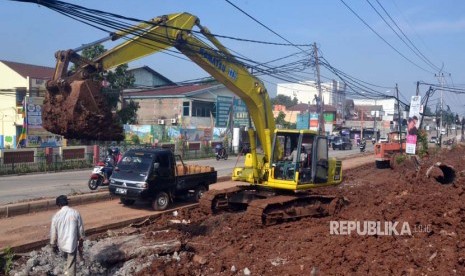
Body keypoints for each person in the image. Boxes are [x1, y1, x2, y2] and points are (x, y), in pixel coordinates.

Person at [50, 195, 85, 276]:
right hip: (72, 244)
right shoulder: (75, 213)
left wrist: (53, 245)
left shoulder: (56, 216)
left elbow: (53, 233)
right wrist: (81, 241)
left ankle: (66, 272)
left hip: (62, 244)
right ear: (67, 202)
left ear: (59, 205)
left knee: (66, 261)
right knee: (71, 264)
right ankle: (69, 273)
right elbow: (81, 230)